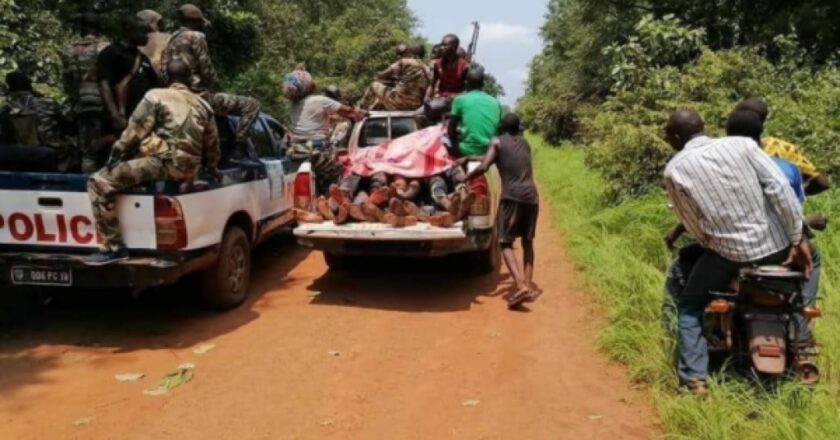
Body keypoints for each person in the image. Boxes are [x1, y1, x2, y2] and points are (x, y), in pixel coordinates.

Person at [662, 109, 813, 396]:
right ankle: (803, 345)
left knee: (690, 306)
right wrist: (797, 238)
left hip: (726, 254)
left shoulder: (674, 169)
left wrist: (714, 244)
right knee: (808, 271)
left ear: (677, 136)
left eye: (667, 133)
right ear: (702, 127)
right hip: (776, 247)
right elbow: (779, 188)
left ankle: (695, 380)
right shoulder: (742, 145)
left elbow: (693, 224)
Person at [84, 60, 220, 266]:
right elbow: (212, 145)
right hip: (189, 169)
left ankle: (113, 247)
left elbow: (135, 130)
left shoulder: (155, 95)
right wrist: (212, 168)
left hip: (164, 165)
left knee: (98, 182)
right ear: (189, 79)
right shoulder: (203, 105)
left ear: (166, 78)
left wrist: (117, 153)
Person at [161, 3, 260, 149]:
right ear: (194, 21)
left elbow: (164, 69)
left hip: (173, 94)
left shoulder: (170, 39)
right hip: (198, 96)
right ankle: (240, 146)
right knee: (252, 105)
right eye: (201, 21)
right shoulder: (196, 36)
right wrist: (214, 87)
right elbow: (207, 71)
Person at [466, 113, 538, 309]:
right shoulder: (524, 143)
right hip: (531, 197)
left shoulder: (496, 141)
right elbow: (498, 156)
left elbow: (485, 165)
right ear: (518, 128)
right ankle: (529, 287)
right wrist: (469, 157)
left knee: (505, 242)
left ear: (501, 127)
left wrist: (466, 177)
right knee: (527, 242)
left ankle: (520, 285)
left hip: (511, 198)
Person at [284, 68, 365, 189]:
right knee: (347, 171)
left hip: (296, 152)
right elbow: (348, 111)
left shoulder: (294, 106)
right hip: (317, 150)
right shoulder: (319, 100)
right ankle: (343, 195)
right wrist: (359, 114)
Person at [735, 98, 831, 196]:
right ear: (763, 123)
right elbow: (822, 182)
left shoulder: (723, 150)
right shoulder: (782, 147)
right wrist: (796, 195)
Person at [62, 12, 111, 173]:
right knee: (102, 147)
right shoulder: (106, 47)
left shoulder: (69, 50)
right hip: (104, 104)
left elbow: (67, 81)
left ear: (82, 28)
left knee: (85, 148)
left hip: (80, 104)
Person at [96, 16, 161, 137]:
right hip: (121, 116)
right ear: (130, 31)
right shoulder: (111, 53)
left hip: (140, 117)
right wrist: (115, 115)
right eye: (143, 32)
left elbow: (156, 85)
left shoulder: (142, 57)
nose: (147, 36)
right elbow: (104, 84)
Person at [0, 71, 69, 171]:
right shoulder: (48, 103)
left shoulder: (6, 108)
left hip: (20, 155)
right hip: (52, 153)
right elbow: (66, 125)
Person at [447, 68, 502, 157]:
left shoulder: (459, 100)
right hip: (490, 151)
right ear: (483, 84)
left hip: (466, 150)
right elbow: (499, 129)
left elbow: (450, 130)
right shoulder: (495, 102)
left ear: (466, 84)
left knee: (444, 139)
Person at [359, 45, 430, 111]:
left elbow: (383, 75)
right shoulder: (426, 67)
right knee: (380, 102)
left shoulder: (403, 62)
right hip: (416, 105)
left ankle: (360, 110)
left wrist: (379, 74)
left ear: (411, 52)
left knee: (374, 85)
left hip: (399, 102)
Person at [426, 34, 470, 102]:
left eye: (444, 45)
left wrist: (456, 96)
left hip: (458, 101)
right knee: (417, 112)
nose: (441, 47)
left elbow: (470, 90)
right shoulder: (438, 64)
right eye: (441, 45)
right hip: (440, 99)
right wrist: (427, 97)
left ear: (454, 47)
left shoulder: (465, 66)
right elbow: (432, 84)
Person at [137, 9, 171, 76]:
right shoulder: (167, 38)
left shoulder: (131, 42)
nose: (163, 25)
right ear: (152, 23)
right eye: (160, 22)